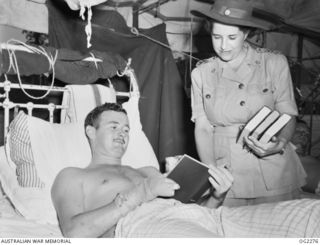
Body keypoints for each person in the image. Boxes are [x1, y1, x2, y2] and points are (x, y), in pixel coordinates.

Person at [51, 102, 320, 238]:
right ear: (90, 131)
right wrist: (142, 193)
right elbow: (73, 232)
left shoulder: (146, 169)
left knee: (310, 215)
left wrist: (217, 194)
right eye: (113, 127)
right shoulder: (73, 176)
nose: (122, 133)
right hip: (142, 225)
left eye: (126, 129)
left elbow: (196, 215)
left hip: (211, 219)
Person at [190, 0, 307, 207]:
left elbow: (287, 113)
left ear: (246, 34)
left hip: (272, 168)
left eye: (231, 37)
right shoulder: (201, 73)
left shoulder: (273, 63)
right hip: (227, 171)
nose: (223, 46)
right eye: (217, 37)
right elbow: (203, 128)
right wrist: (212, 171)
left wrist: (279, 144)